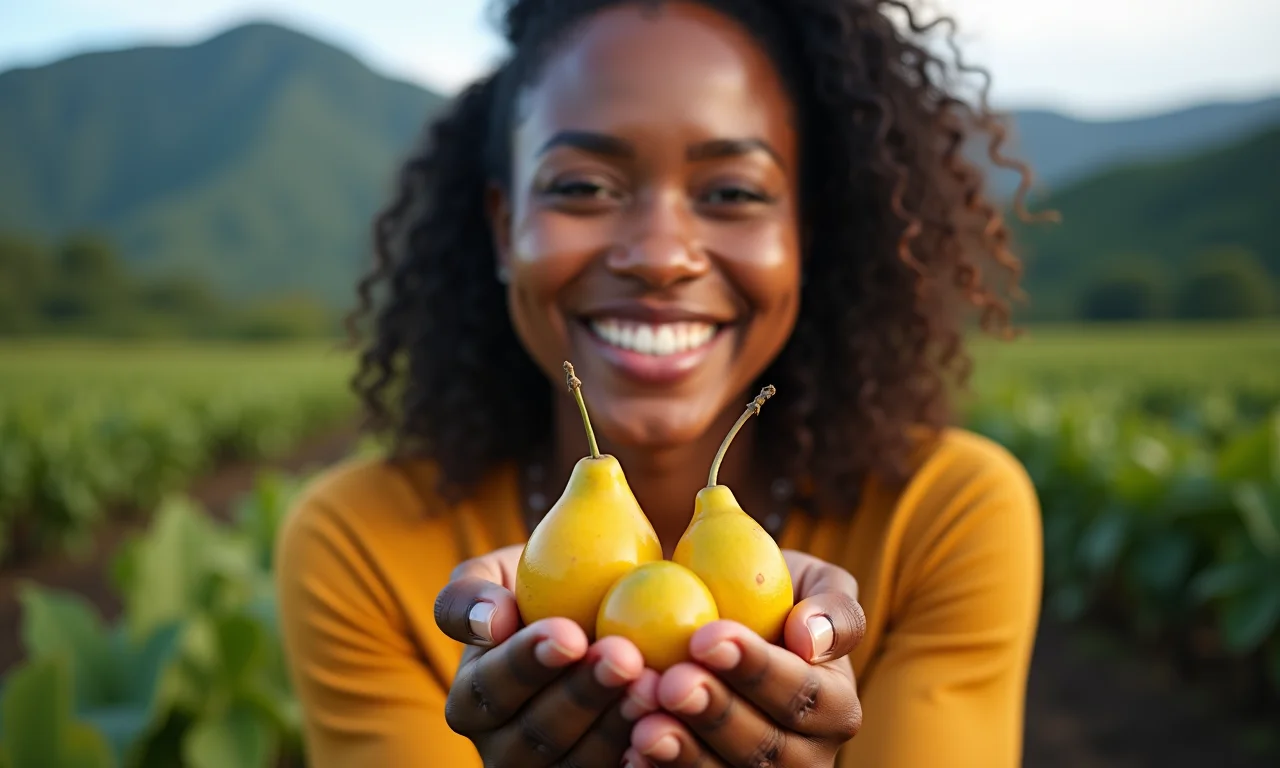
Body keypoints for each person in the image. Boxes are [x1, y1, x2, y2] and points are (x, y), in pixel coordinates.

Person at [274, 0, 1046, 765]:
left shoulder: (941, 516)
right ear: (504, 228)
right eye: (582, 187)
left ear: (804, 237)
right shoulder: (358, 545)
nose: (659, 253)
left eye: (732, 192)